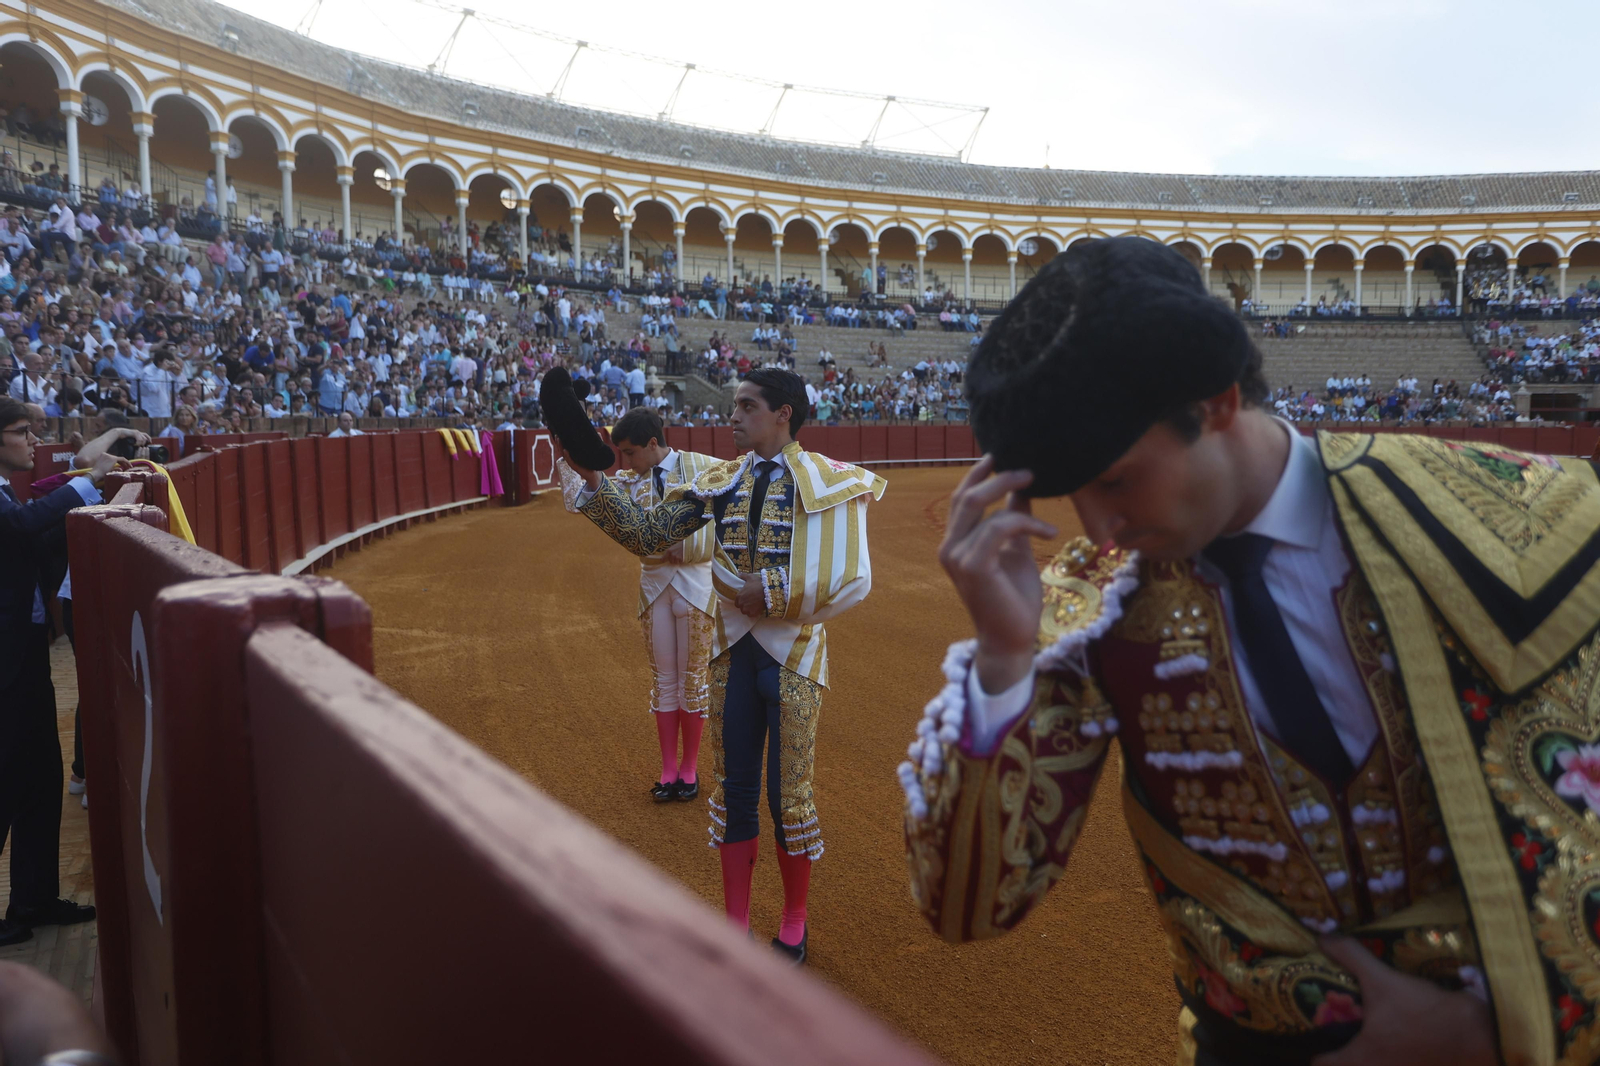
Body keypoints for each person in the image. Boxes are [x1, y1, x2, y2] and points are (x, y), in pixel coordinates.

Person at [898, 236, 1600, 1065]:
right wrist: (1004, 658)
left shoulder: (1515, 513)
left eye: (1116, 480)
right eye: (1072, 495)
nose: (1097, 527)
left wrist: (1516, 1031)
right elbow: (968, 905)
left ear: (1220, 402)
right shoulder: (1090, 609)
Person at [563, 368, 884, 966]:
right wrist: (595, 482)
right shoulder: (721, 481)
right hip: (733, 654)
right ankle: (734, 926)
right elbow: (648, 534)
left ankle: (793, 920)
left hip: (793, 657)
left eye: (747, 406)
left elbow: (852, 577)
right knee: (735, 791)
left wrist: (776, 591)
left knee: (788, 797)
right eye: (734, 405)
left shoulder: (830, 480)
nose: (732, 416)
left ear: (784, 413)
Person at [0, 396, 116, 946]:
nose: (32, 441)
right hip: (5, 662)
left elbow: (28, 539)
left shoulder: (6, 489)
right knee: (7, 780)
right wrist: (86, 482)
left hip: (24, 654)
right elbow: (21, 527)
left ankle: (34, 898)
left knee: (41, 776)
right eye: (23, 431)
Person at [559, 407, 719, 801]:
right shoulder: (631, 482)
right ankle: (668, 769)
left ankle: (689, 768)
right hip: (654, 586)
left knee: (692, 681)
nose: (625, 462)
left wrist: (693, 546)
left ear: (651, 443)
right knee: (664, 681)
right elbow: (578, 499)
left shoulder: (708, 468)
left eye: (630, 453)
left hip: (697, 583)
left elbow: (731, 520)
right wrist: (578, 464)